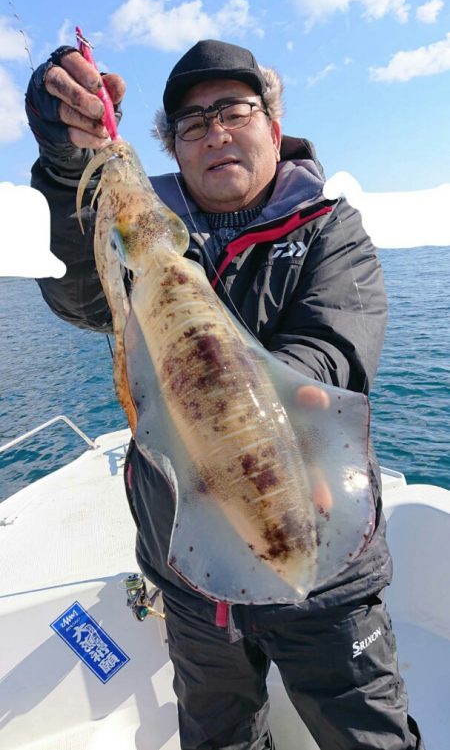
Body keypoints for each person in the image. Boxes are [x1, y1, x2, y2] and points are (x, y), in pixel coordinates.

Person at [26, 39, 424, 750]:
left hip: (323, 571)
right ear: (175, 151)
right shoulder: (146, 238)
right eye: (191, 123)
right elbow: (84, 294)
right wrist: (66, 163)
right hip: (191, 579)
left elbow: (330, 353)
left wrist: (249, 414)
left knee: (368, 736)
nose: (214, 131)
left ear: (273, 128)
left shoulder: (333, 232)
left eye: (234, 111)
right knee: (220, 738)